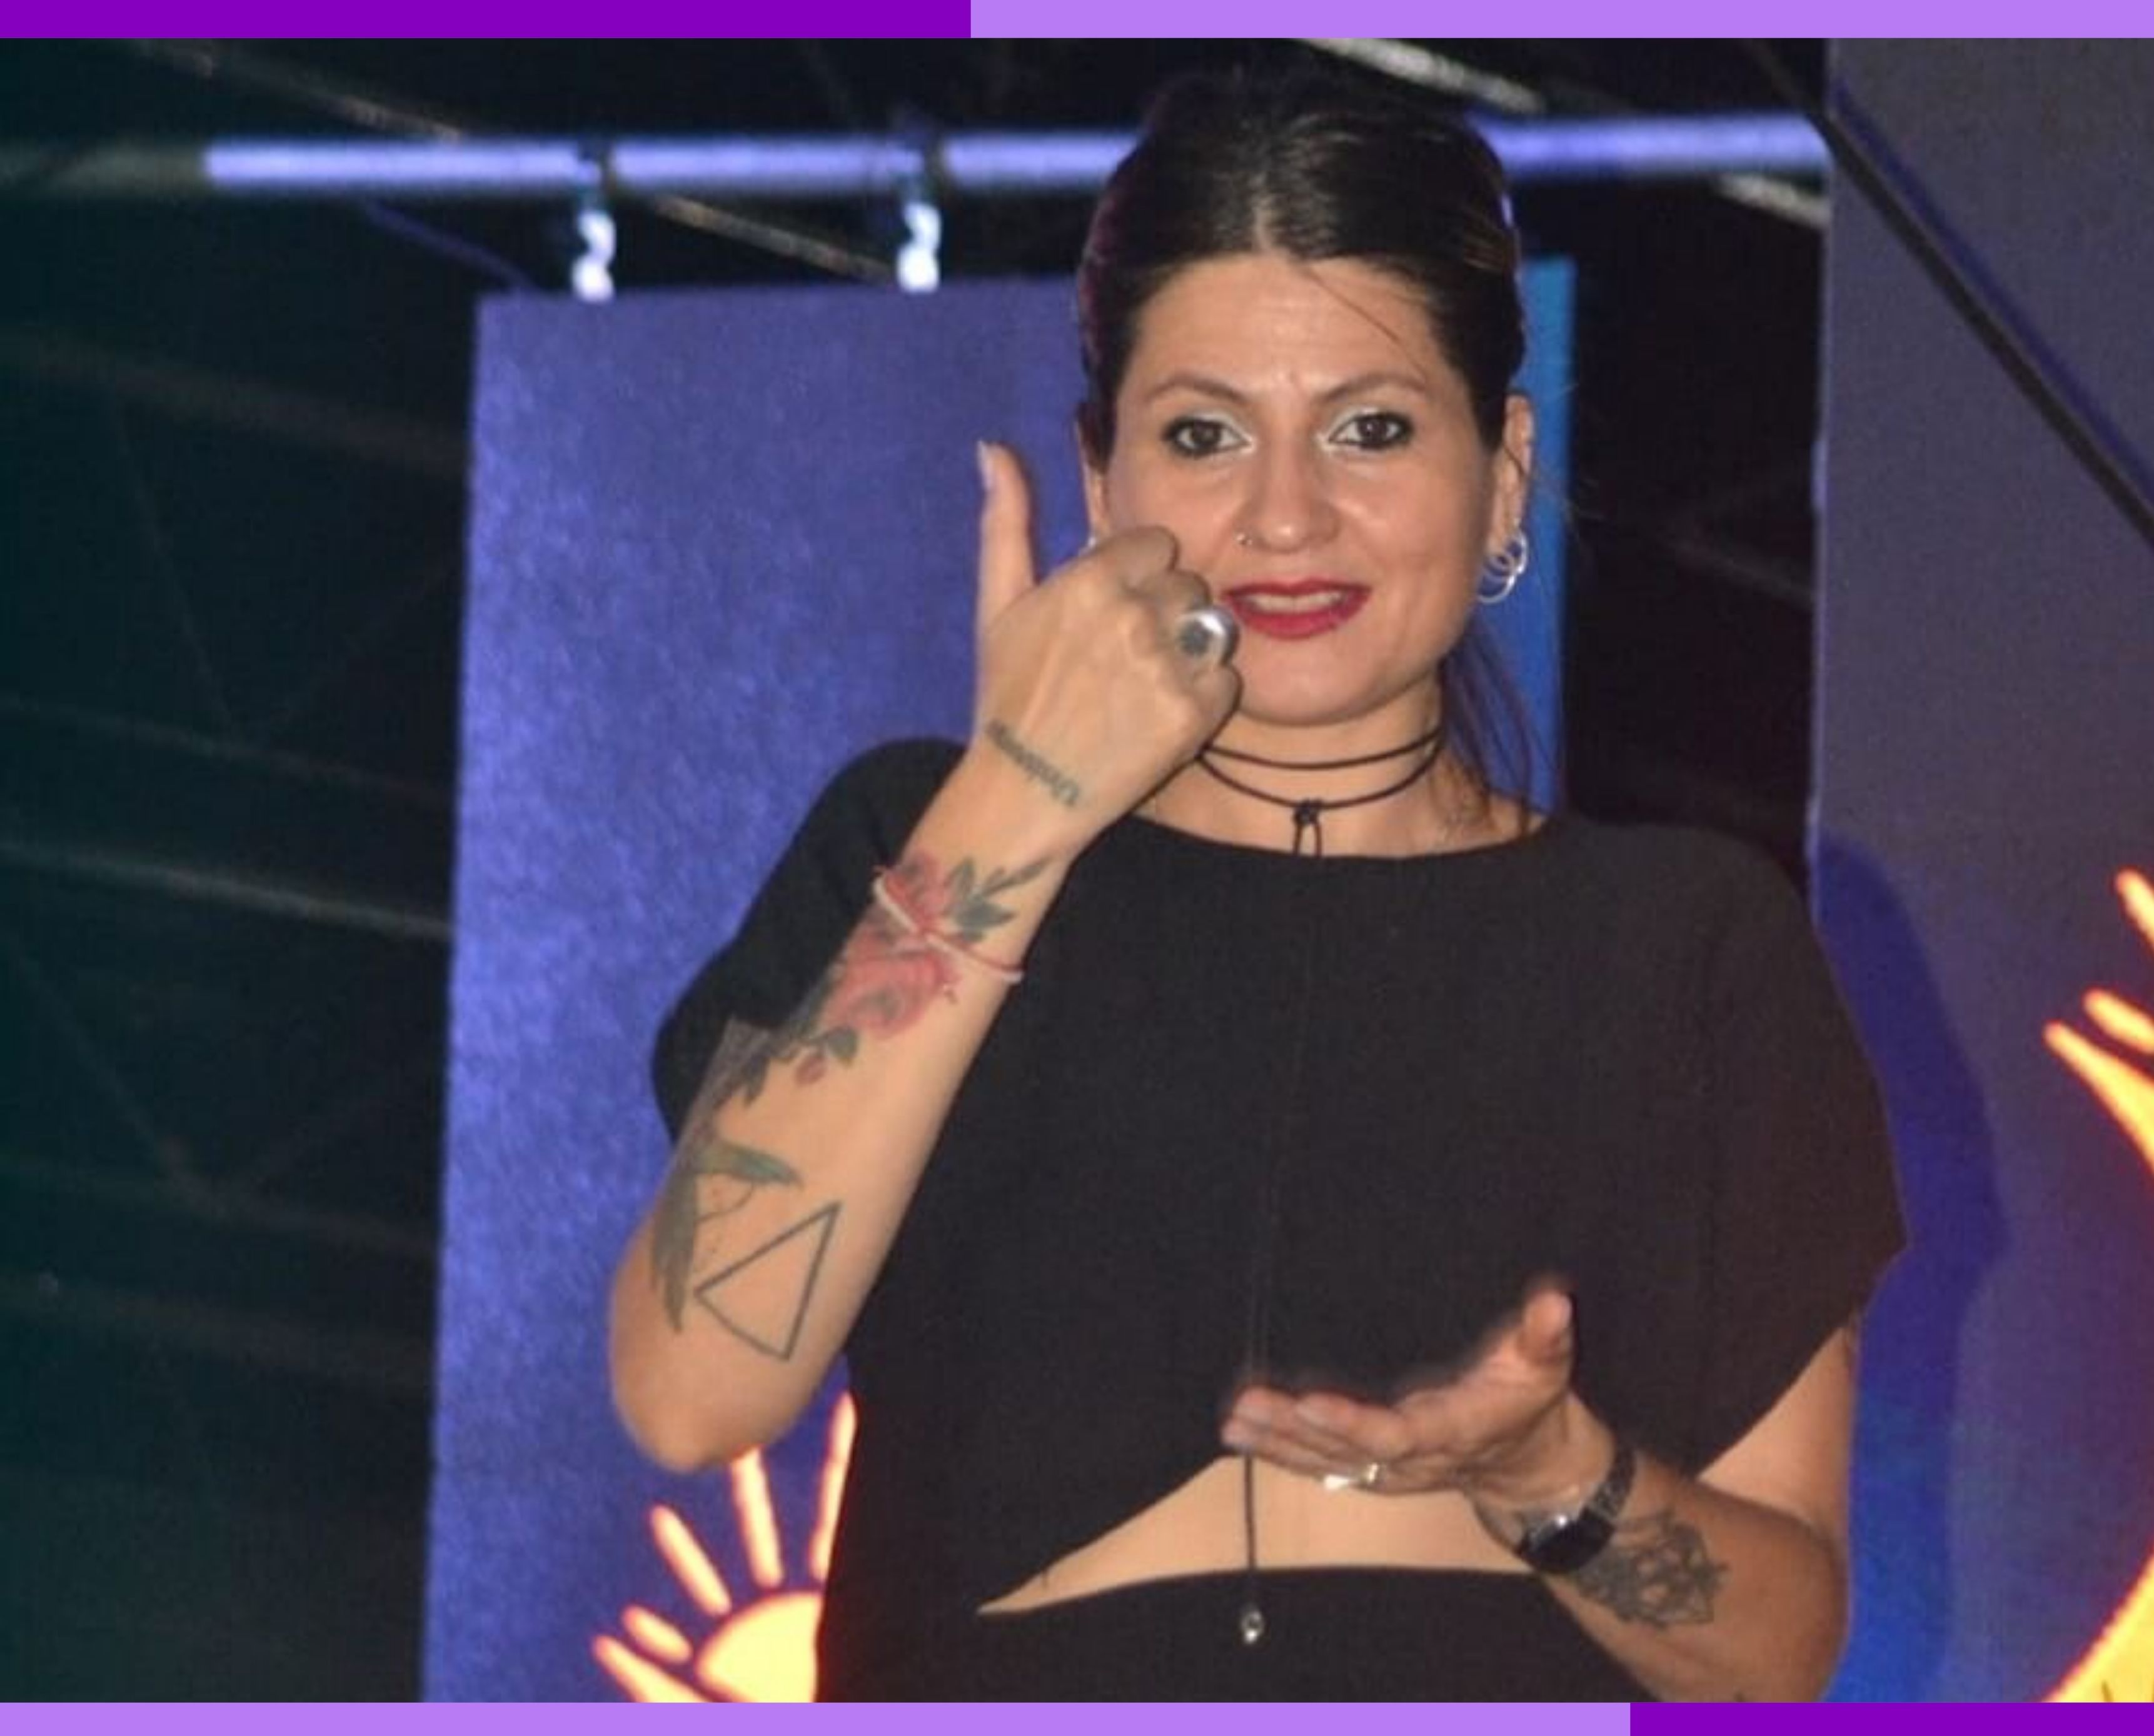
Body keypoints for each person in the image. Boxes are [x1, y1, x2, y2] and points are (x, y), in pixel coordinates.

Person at [606, 67, 1903, 1702]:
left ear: (1503, 468)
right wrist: (1012, 804)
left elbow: (1776, 1649)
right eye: (1204, 435)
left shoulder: (1684, 948)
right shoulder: (915, 835)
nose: (1287, 516)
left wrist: (1551, 1479)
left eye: (1372, 429)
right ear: (1103, 480)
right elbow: (691, 1391)